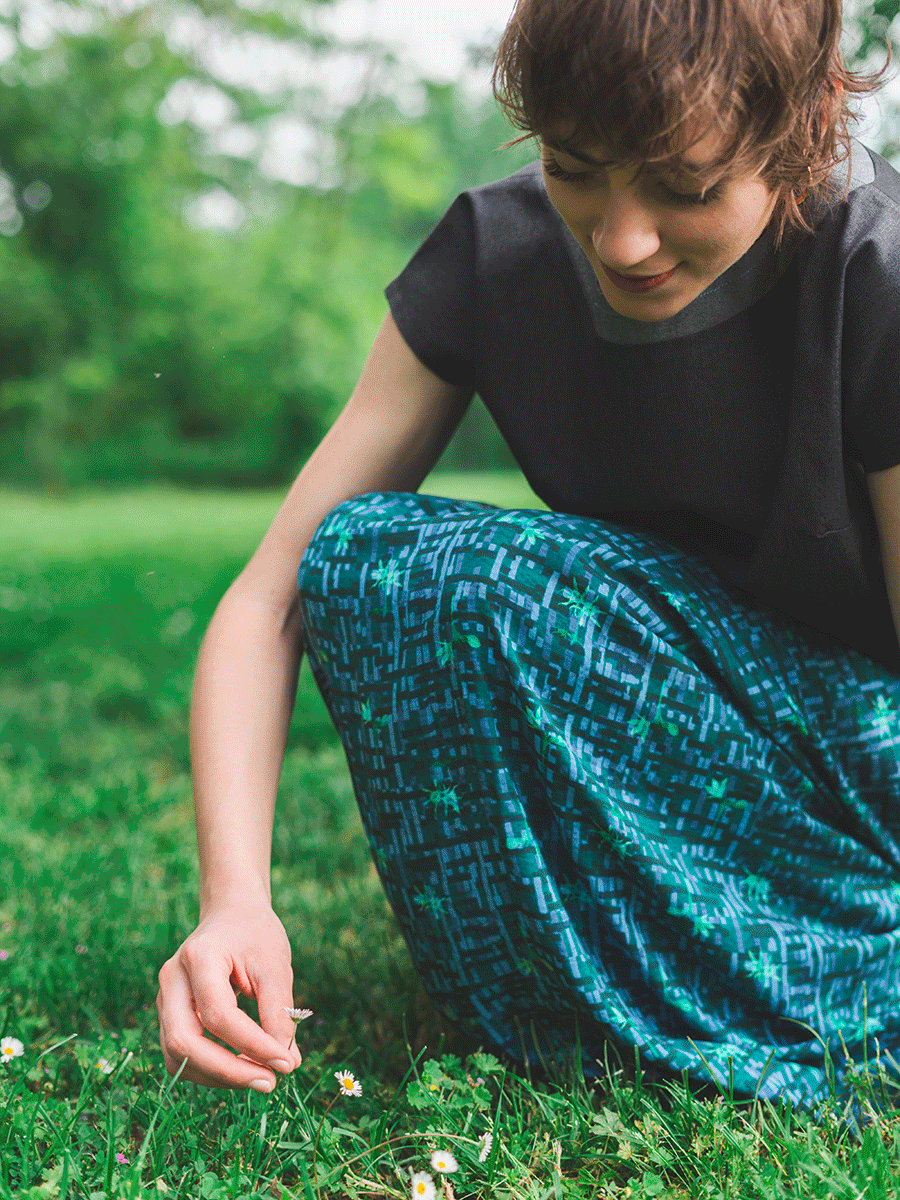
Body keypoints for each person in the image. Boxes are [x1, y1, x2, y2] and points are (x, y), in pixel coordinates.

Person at [157, 0, 900, 1114]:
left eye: (686, 188)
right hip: (688, 731)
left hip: (859, 779)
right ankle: (591, 1026)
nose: (621, 237)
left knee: (513, 587)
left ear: (799, 133)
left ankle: (834, 998)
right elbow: (271, 602)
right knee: (369, 560)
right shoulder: (493, 251)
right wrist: (232, 904)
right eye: (574, 168)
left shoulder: (873, 265)